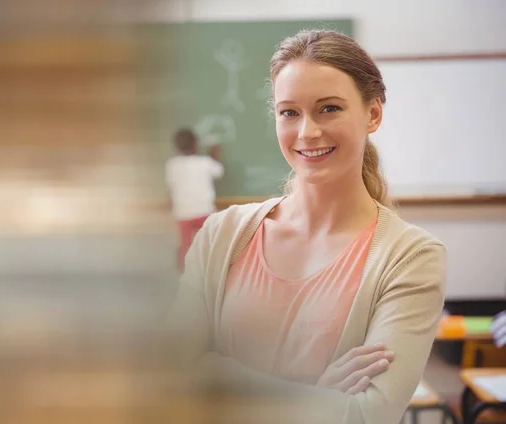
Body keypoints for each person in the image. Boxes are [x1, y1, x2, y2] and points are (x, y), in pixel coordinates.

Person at [162, 30, 447, 423]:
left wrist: (217, 370)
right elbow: (170, 375)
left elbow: (367, 416)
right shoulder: (220, 235)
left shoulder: (411, 258)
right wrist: (312, 396)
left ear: (373, 114)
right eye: (289, 112)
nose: (307, 132)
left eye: (329, 108)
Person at [165, 128, 224, 272]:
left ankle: (184, 274)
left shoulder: (171, 165)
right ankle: (211, 272)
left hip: (182, 213)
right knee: (210, 243)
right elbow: (219, 171)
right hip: (204, 212)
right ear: (196, 144)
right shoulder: (205, 162)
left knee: (186, 245)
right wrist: (214, 154)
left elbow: (171, 185)